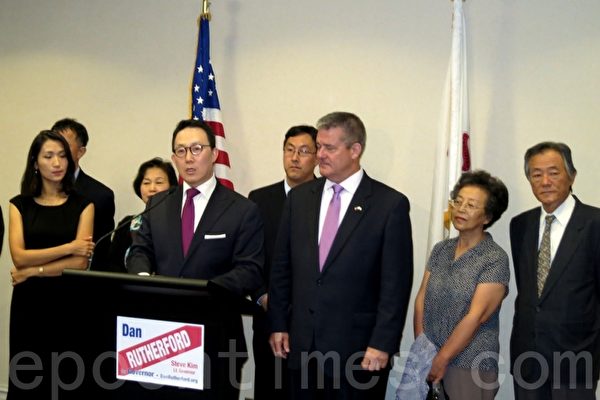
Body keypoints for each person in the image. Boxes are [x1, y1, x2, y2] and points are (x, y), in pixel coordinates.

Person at [268, 111, 413, 399]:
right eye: (319, 146)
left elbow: (395, 285)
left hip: (357, 353)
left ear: (355, 150)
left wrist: (382, 343)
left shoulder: (389, 205)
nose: (320, 155)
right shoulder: (299, 199)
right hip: (302, 347)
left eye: (329, 148)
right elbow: (282, 268)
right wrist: (279, 324)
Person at [127, 119, 264, 399]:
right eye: (181, 151)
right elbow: (140, 251)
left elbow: (250, 269)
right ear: (174, 158)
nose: (188, 158)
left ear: (214, 154)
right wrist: (143, 281)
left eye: (196, 149)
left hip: (215, 336)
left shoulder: (242, 209)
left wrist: (205, 292)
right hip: (159, 336)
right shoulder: (158, 204)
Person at [7, 130, 95, 397]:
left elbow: (80, 263)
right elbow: (19, 256)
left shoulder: (84, 205)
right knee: (28, 375)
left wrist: (34, 270)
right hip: (29, 303)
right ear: (35, 162)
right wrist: (69, 247)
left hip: (68, 302)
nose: (57, 163)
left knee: (65, 377)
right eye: (48, 156)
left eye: (62, 156)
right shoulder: (19, 205)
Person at [510, 142, 600, 399]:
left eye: (554, 172)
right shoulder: (520, 225)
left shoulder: (594, 223)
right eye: (536, 174)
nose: (545, 181)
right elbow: (529, 291)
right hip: (528, 359)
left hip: (577, 359)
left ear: (572, 176)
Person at [413, 170, 510, 399]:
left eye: (471, 205)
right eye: (458, 202)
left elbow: (476, 317)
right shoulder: (441, 249)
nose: (461, 209)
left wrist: (442, 359)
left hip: (469, 364)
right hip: (429, 357)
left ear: (487, 217)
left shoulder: (494, 258)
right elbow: (421, 299)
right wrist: (423, 349)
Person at [248, 125, 318, 399]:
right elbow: (249, 255)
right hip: (268, 317)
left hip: (312, 324)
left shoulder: (329, 199)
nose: (294, 158)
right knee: (269, 389)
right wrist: (261, 295)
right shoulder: (259, 199)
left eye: (304, 151)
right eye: (289, 150)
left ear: (317, 156)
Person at [52, 117, 115, 270]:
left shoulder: (100, 196)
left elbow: (101, 254)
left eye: (64, 144)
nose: (58, 150)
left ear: (81, 152)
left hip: (77, 279)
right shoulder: (34, 191)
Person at [107, 157, 177, 272]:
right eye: (146, 183)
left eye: (159, 182)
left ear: (172, 187)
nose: (152, 188)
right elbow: (112, 266)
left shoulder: (179, 223)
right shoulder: (126, 224)